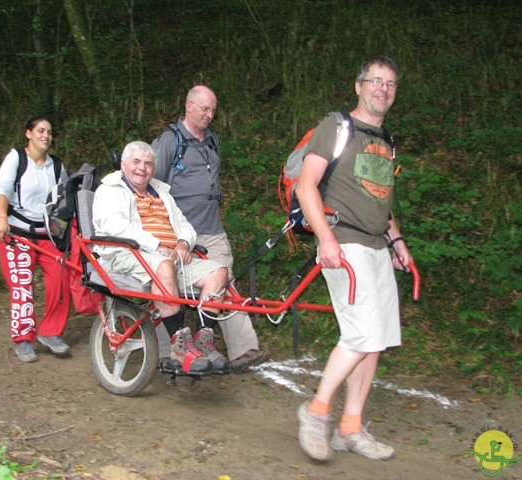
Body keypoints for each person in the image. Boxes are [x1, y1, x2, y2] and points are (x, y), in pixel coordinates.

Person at [295, 57, 414, 461]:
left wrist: (397, 241)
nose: (383, 88)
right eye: (376, 81)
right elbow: (305, 186)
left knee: (375, 340)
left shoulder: (385, 140)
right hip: (343, 243)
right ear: (359, 85)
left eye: (391, 84)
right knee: (362, 334)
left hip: (377, 246)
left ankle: (350, 428)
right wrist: (326, 240)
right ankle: (315, 413)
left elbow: (381, 198)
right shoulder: (336, 127)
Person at [151, 85, 267, 371]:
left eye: (213, 110)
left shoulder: (211, 139)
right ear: (188, 106)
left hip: (212, 228)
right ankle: (164, 351)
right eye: (204, 109)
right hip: (179, 233)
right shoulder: (169, 141)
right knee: (168, 287)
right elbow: (151, 187)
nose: (209, 114)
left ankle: (242, 349)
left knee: (223, 280)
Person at [92, 141, 230, 374]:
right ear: (123, 165)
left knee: (219, 272)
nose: (142, 168)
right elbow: (115, 226)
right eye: (136, 162)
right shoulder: (109, 190)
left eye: (148, 164)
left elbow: (184, 224)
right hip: (126, 253)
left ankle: (203, 340)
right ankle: (178, 346)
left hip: (169, 257)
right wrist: (156, 245)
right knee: (164, 265)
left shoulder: (161, 192)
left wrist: (183, 244)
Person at [0, 116, 72, 363]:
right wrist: (2, 217)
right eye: (40, 130)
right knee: (22, 286)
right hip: (17, 233)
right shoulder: (16, 158)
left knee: (61, 279)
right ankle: (24, 339)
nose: (46, 136)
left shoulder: (56, 166)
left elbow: (66, 200)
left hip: (47, 234)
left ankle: (51, 332)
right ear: (28, 133)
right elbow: (3, 188)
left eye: (49, 132)